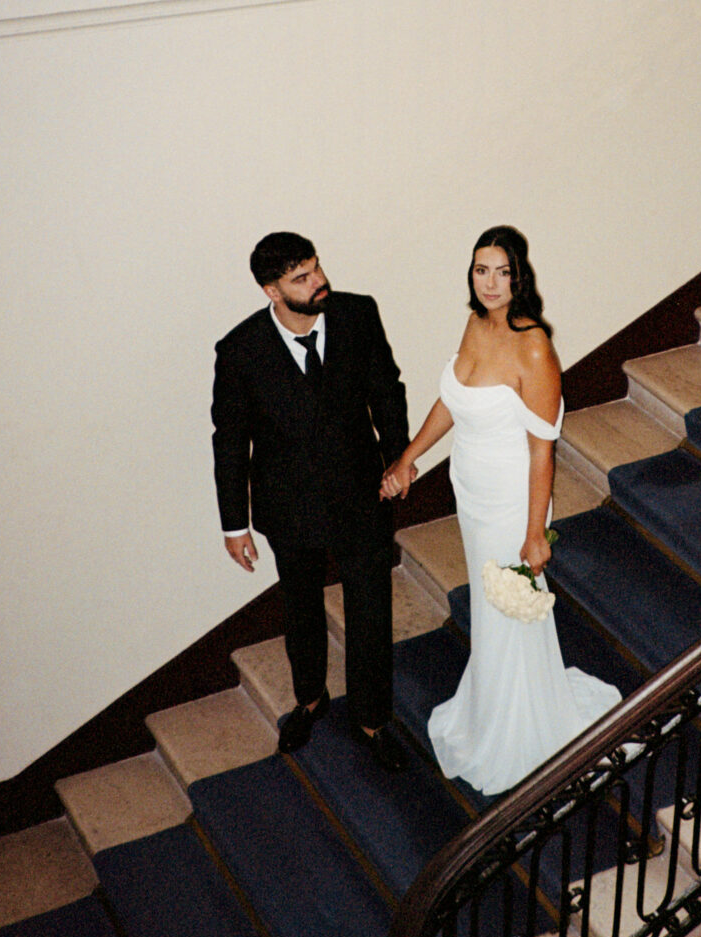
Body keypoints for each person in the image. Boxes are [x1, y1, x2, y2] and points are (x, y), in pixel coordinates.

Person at [381, 226, 619, 795]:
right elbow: (453, 401)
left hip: (513, 499)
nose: (490, 283)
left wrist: (535, 533)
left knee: (511, 608)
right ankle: (493, 700)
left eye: (501, 272)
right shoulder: (475, 323)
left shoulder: (533, 346)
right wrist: (410, 458)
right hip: (472, 490)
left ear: (519, 276)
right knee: (492, 612)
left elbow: (543, 449)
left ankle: (522, 726)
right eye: (480, 270)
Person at [212, 232, 410, 772]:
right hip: (288, 503)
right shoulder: (239, 351)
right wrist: (235, 525)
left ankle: (373, 718)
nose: (319, 281)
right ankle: (309, 698)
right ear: (271, 290)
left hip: (362, 491)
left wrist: (400, 457)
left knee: (370, 607)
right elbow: (230, 441)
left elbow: (387, 390)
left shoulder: (358, 314)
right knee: (300, 604)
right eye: (301, 277)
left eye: (317, 268)